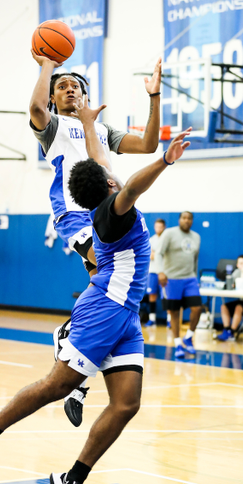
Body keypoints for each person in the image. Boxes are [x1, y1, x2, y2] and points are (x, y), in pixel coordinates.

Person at [0, 97, 191, 484]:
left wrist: (86, 122)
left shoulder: (106, 198)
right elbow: (133, 183)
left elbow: (100, 160)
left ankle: (72, 479)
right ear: (109, 188)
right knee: (56, 386)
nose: (113, 177)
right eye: (110, 178)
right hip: (104, 310)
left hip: (124, 314)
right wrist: (165, 161)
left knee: (126, 403)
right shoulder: (115, 210)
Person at [29, 52, 162, 425]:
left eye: (76, 86)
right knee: (105, 268)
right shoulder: (52, 126)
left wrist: (154, 98)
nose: (69, 89)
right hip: (73, 212)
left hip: (104, 211)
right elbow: (36, 108)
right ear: (54, 98)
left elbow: (149, 144)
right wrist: (47, 66)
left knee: (104, 281)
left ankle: (73, 352)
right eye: (62, 87)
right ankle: (71, 337)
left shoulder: (103, 131)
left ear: (86, 96)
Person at [156, 212, 202, 359]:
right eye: (184, 218)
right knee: (174, 312)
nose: (186, 220)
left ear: (192, 221)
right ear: (179, 220)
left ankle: (188, 337)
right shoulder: (169, 234)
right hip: (171, 279)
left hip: (190, 278)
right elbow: (158, 253)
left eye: (189, 218)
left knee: (197, 308)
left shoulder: (196, 237)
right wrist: (160, 272)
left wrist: (195, 276)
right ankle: (178, 344)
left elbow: (195, 259)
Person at [143, 218, 170, 327]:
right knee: (152, 295)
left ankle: (170, 320)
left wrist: (156, 254)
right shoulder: (151, 240)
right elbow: (150, 255)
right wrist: (157, 254)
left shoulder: (167, 239)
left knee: (167, 296)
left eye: (161, 226)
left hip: (164, 272)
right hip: (152, 272)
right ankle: (152, 319)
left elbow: (165, 256)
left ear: (164, 227)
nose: (158, 228)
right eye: (157, 226)